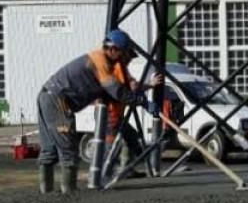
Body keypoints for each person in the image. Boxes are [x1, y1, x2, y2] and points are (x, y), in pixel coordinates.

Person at [37, 29, 160, 194]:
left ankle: (47, 193)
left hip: (47, 96)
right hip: (58, 101)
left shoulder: (102, 61)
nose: (125, 59)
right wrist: (142, 101)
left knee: (50, 150)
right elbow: (117, 92)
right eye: (123, 54)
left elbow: (117, 90)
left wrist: (140, 96)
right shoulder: (100, 62)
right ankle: (69, 191)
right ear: (113, 50)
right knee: (68, 148)